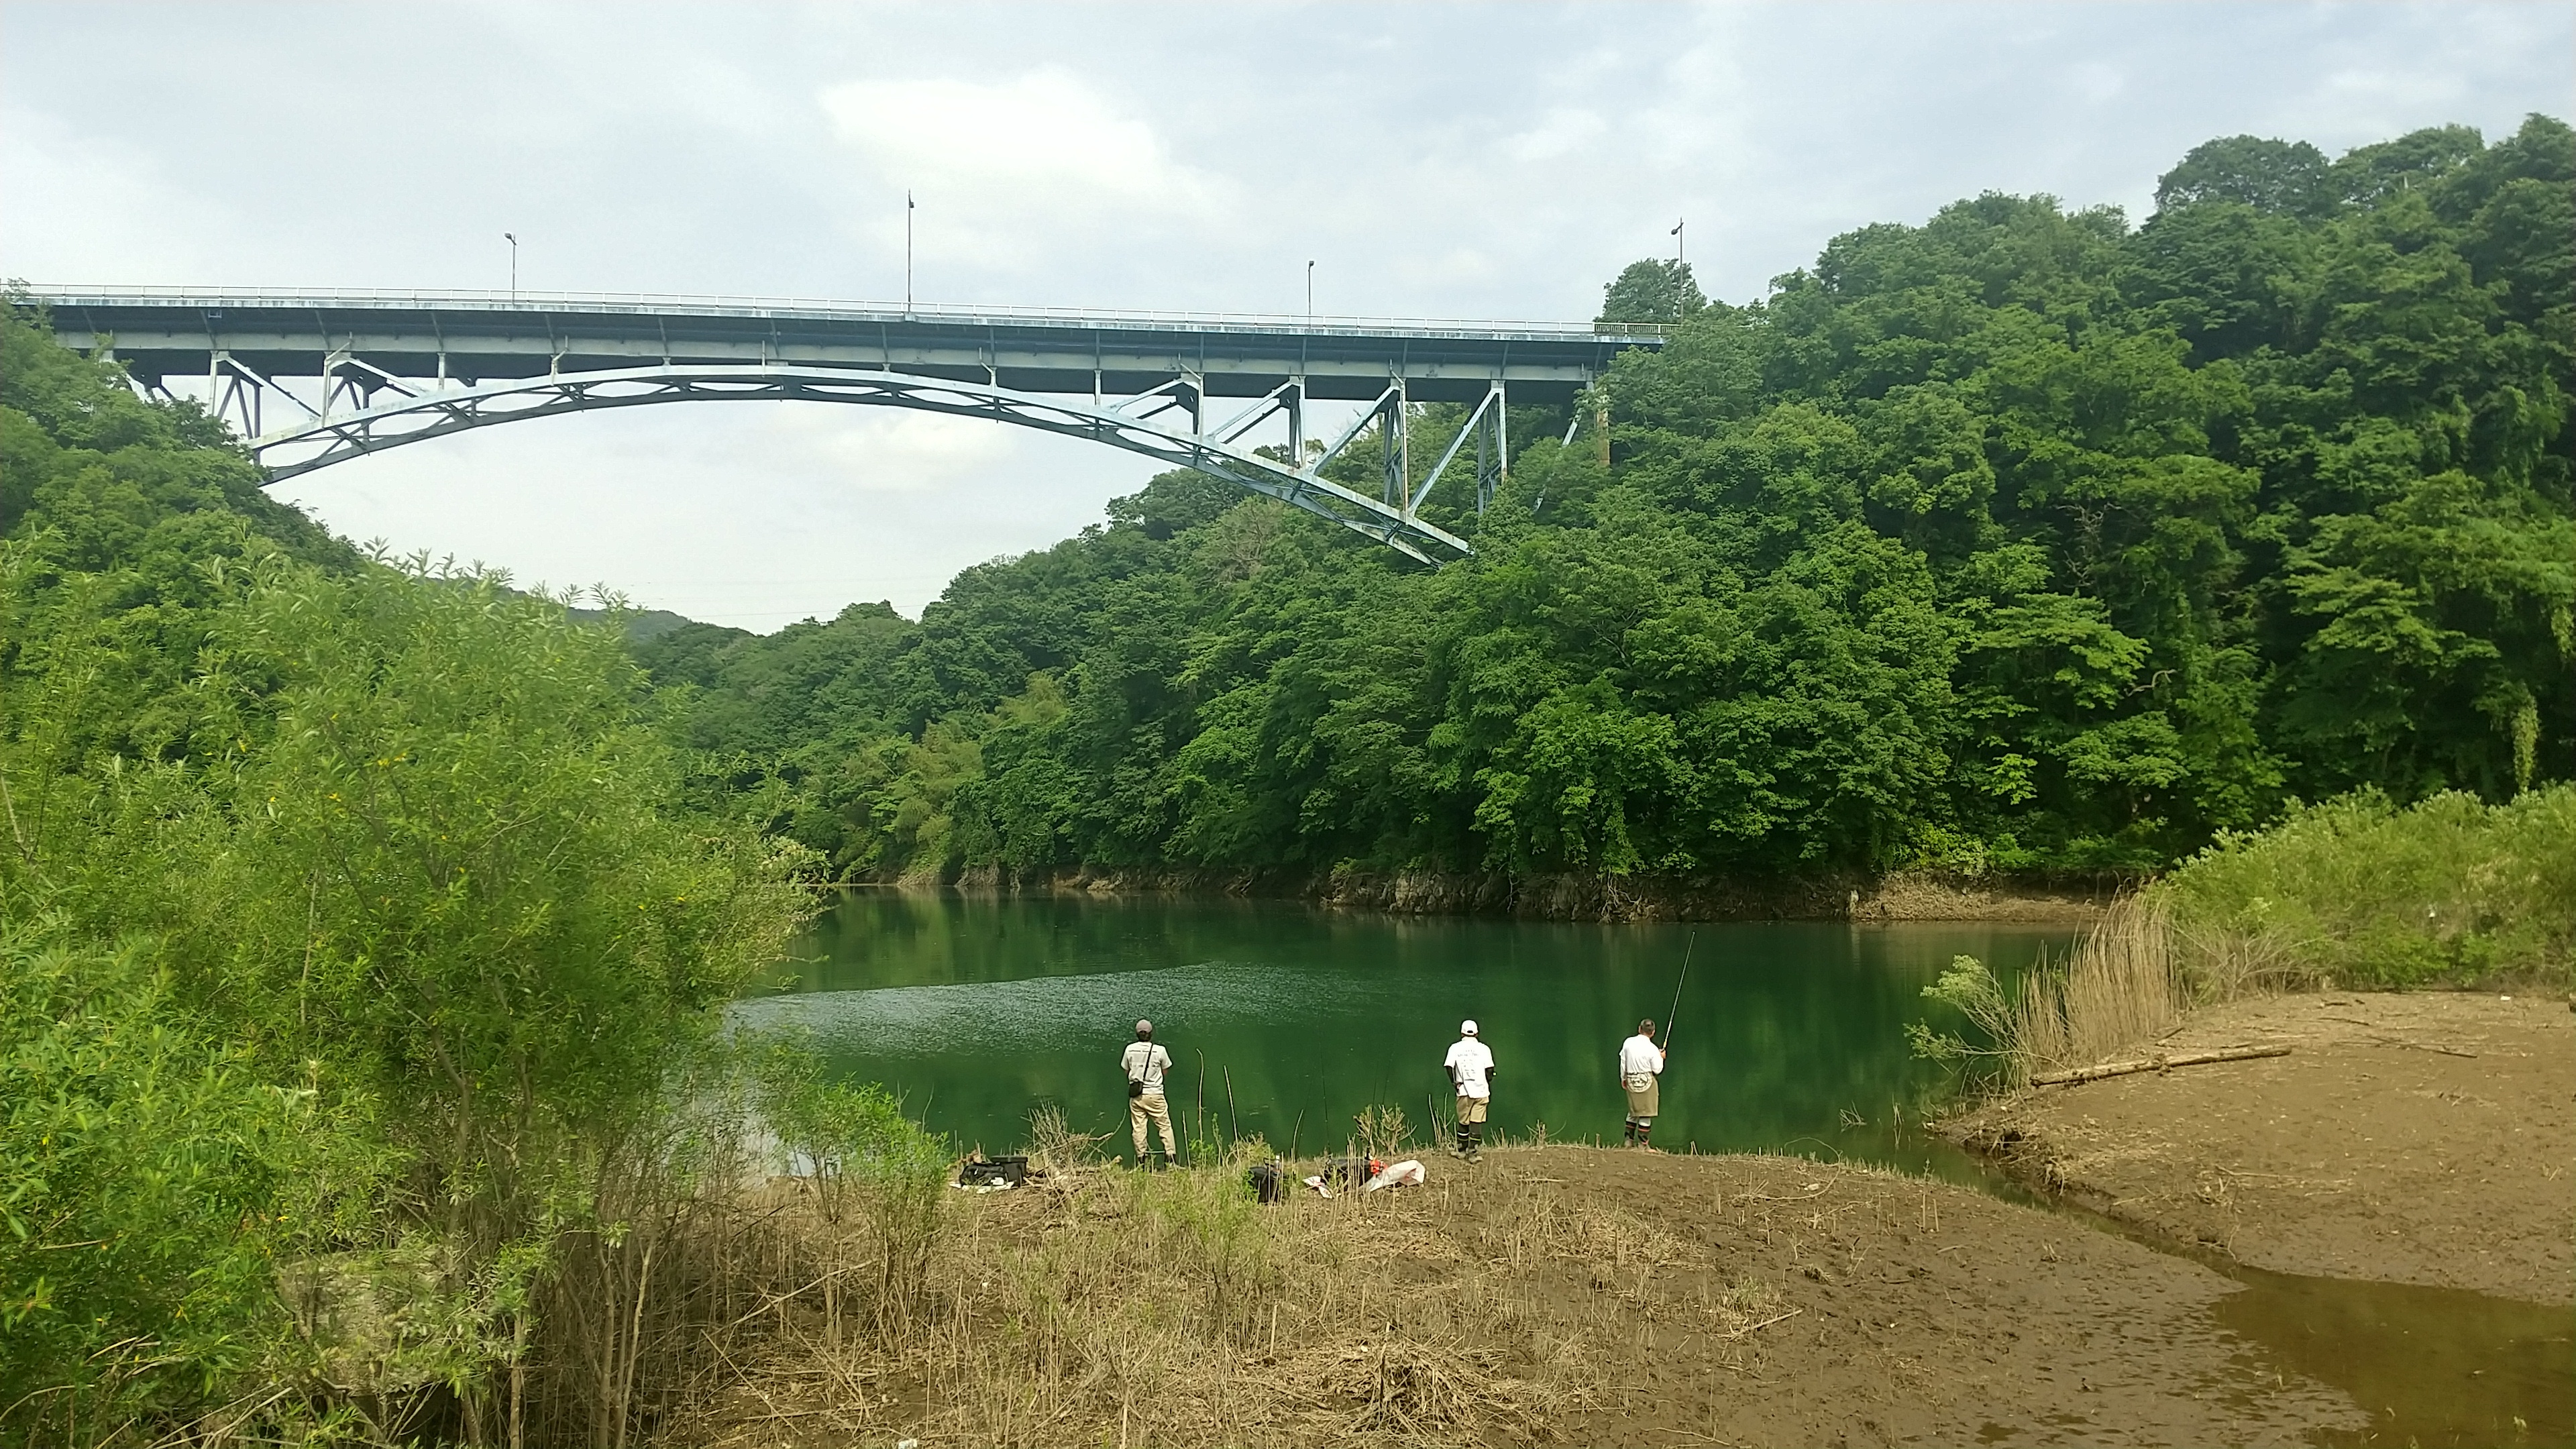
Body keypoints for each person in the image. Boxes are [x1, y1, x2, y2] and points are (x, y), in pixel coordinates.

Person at [1121, 1019, 1178, 1168]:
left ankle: (1142, 1161)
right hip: (1156, 1094)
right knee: (1165, 1127)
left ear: (1137, 1034)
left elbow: (1126, 1070)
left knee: (1139, 1128)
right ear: (1151, 1034)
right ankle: (1170, 1159)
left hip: (1137, 1096)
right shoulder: (1160, 1050)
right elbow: (1165, 1071)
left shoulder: (1129, 1049)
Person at [1442, 1018, 1495, 1163]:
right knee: (1476, 1122)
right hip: (1481, 1090)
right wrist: (1488, 1080)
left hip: (1464, 1089)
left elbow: (1448, 1066)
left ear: (1462, 1033)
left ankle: (1461, 1150)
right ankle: (1473, 1153)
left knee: (1463, 1122)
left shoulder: (1455, 1048)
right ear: (1477, 1033)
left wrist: (1455, 1083)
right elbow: (1489, 1069)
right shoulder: (1484, 1049)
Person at [1619, 1018, 1666, 1148]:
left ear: (1639, 1029)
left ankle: (1628, 1141)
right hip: (1647, 1081)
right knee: (1646, 1113)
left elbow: (1623, 1063)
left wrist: (1623, 1078)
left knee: (1633, 1111)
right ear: (1653, 1033)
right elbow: (1657, 1070)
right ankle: (1643, 1145)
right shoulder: (1653, 1049)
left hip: (1631, 1080)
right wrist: (1661, 1058)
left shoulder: (1628, 1043)